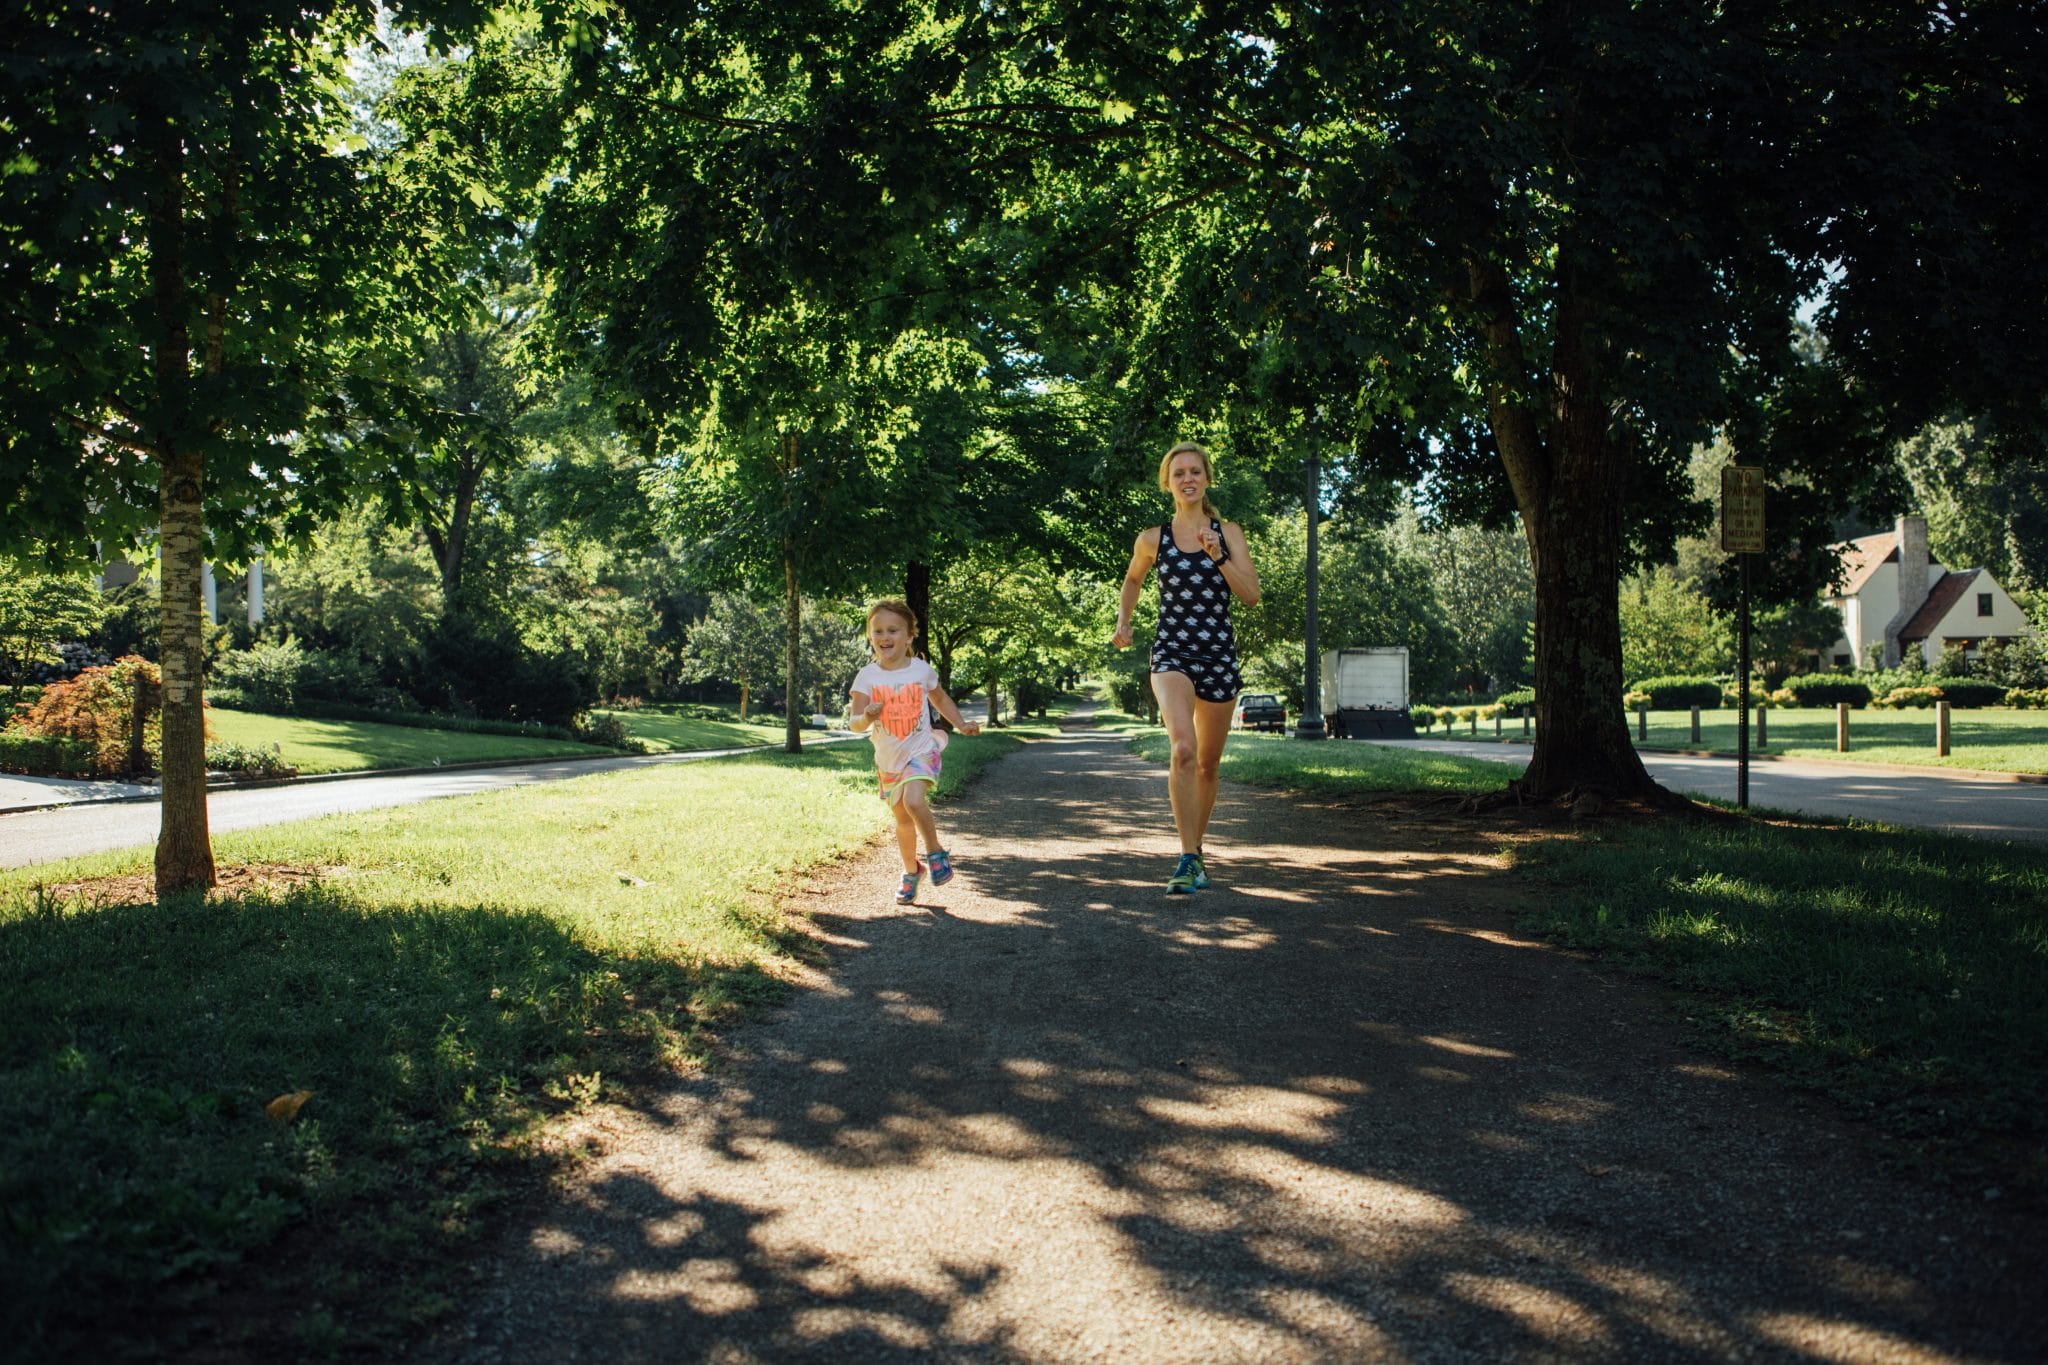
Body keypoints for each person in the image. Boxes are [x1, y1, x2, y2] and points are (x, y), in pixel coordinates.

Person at [1112, 440, 1262, 893]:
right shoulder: (1151, 538)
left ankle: (1196, 848)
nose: (1188, 479)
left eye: (1195, 471)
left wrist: (1218, 555)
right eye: (1179, 473)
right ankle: (1187, 856)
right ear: (1168, 483)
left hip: (1218, 653)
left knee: (1208, 766)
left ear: (1207, 479)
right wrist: (1124, 620)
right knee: (1183, 749)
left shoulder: (1228, 531)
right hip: (1172, 651)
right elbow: (1133, 577)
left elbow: (1251, 595)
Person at [849, 598, 981, 905]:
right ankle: (912, 871)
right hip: (888, 761)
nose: (885, 637)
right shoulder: (867, 677)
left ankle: (935, 852)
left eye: (893, 630)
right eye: (878, 630)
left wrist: (960, 724)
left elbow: (941, 699)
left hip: (922, 751)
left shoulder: (921, 670)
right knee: (902, 819)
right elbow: (855, 724)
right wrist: (867, 716)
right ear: (871, 636)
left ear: (909, 636)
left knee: (913, 800)